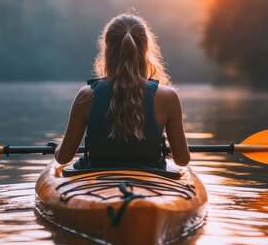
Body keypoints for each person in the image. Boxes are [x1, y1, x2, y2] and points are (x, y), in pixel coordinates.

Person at [54, 13, 190, 169]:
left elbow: (64, 157)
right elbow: (182, 160)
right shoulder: (168, 97)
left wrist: (57, 148)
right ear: (145, 49)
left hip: (98, 180)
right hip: (150, 180)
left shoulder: (86, 96)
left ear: (107, 49)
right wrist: (164, 149)